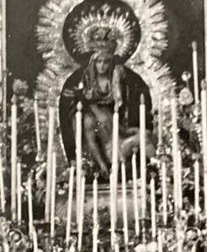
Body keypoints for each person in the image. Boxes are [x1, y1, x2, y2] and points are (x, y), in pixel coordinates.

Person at [61, 29, 149, 174]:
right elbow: (84, 99)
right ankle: (102, 164)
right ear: (94, 62)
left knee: (145, 136)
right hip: (105, 140)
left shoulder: (116, 78)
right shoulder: (88, 81)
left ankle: (151, 167)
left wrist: (127, 130)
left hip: (116, 129)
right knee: (89, 122)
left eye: (106, 62)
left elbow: (121, 111)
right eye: (99, 62)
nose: (102, 66)